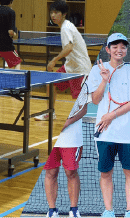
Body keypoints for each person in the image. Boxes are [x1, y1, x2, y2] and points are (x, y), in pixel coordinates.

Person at [86, 33, 130, 218]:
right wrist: (104, 79)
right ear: (108, 49)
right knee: (106, 173)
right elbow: (95, 99)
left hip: (128, 133)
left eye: (123, 46)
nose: (119, 49)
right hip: (105, 133)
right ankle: (108, 210)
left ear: (126, 50)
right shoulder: (96, 70)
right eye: (115, 46)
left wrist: (111, 115)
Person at [38, 0, 92, 121]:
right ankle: (50, 112)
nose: (53, 15)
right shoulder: (66, 26)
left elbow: (69, 47)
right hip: (70, 67)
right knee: (51, 83)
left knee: (82, 100)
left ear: (63, 14)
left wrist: (54, 60)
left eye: (56, 12)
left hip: (79, 69)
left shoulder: (66, 27)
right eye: (51, 12)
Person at [43, 88, 88, 218]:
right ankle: (52, 210)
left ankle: (73, 210)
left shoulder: (83, 84)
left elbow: (83, 109)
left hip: (71, 138)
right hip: (52, 136)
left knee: (71, 173)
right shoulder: (57, 79)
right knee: (51, 172)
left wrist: (67, 122)